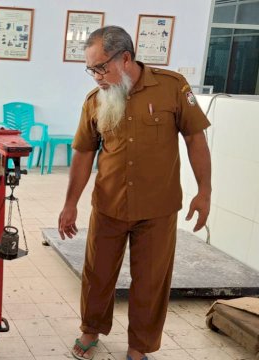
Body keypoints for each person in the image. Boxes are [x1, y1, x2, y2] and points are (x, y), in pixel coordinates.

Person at [57, 26, 211, 360]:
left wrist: (205, 191)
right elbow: (83, 153)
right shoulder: (95, 101)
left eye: (101, 67)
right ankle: (90, 329)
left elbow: (195, 138)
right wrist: (70, 204)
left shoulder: (172, 88)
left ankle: (139, 347)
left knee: (151, 282)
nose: (96, 76)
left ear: (125, 58)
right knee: (97, 274)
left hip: (158, 208)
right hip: (109, 204)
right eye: (91, 69)